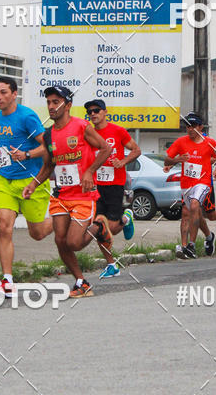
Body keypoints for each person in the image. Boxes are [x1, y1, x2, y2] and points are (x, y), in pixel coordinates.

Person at [22, 86, 112, 298]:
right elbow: (49, 166)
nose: (51, 106)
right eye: (49, 102)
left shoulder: (81, 126)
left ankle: (99, 227)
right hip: (61, 195)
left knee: (74, 242)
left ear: (68, 105)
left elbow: (106, 148)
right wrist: (33, 184)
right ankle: (81, 282)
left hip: (83, 195)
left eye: (56, 102)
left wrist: (90, 171)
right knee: (60, 241)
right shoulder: (48, 135)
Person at [0, 77, 53, 298]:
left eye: (3, 92)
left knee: (38, 233)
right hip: (4, 179)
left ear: (14, 94)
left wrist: (27, 154)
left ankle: (65, 217)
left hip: (31, 179)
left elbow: (48, 145)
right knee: (5, 226)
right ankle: (7, 280)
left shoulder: (27, 117)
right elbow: (5, 146)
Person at [83, 99, 139, 278]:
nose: (93, 114)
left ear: (105, 112)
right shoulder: (88, 134)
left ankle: (126, 217)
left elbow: (136, 150)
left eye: (96, 110)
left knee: (112, 228)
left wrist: (122, 162)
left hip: (115, 184)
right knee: (99, 227)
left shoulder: (118, 131)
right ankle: (111, 265)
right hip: (96, 186)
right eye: (90, 112)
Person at [164, 113, 216, 259]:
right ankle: (198, 241)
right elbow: (167, 160)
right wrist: (177, 160)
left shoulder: (209, 142)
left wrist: (215, 169)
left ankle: (191, 245)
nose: (190, 129)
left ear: (200, 127)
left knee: (196, 206)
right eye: (188, 126)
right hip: (187, 184)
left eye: (193, 126)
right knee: (188, 213)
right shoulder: (181, 142)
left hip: (203, 183)